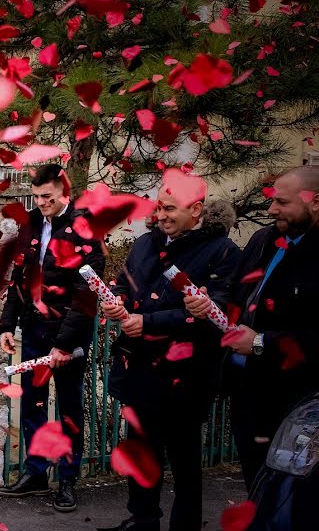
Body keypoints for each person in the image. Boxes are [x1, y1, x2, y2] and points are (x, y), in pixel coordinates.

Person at [98, 175, 240, 531]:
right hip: (139, 367)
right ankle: (143, 520)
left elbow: (216, 313)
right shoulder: (146, 242)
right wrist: (116, 303)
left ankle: (185, 525)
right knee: (141, 451)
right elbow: (124, 284)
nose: (160, 214)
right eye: (159, 206)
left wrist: (148, 322)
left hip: (187, 374)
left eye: (170, 208)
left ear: (196, 210)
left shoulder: (223, 252)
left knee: (183, 458)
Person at [183, 165, 319, 492]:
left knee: (292, 497)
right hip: (248, 391)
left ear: (315, 201)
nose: (271, 209)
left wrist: (261, 342)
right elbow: (235, 295)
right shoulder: (263, 240)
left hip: (299, 401)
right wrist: (209, 304)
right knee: (256, 487)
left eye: (282, 202)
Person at [0, 164, 105, 513]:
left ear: (64, 193)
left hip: (69, 333)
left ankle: (68, 480)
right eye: (37, 196)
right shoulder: (30, 224)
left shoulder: (85, 229)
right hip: (35, 328)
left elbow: (86, 294)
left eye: (48, 197)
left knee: (70, 406)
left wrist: (65, 343)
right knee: (33, 403)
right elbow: (19, 277)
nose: (41, 202)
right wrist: (7, 325)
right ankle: (37, 473)